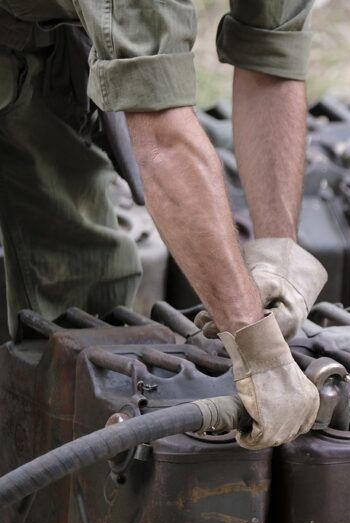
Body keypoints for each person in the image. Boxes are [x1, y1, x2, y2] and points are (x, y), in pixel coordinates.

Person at [0, 0, 326, 450]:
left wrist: (277, 249)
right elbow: (163, 137)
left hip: (41, 38)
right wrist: (258, 351)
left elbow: (270, 58)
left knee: (82, 299)